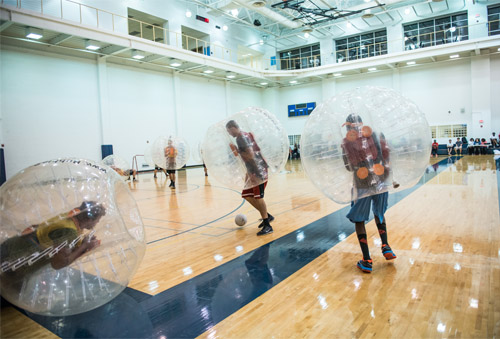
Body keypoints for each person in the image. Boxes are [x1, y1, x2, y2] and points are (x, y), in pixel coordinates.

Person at [341, 114, 397, 274]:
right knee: (379, 213)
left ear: (348, 127)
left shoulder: (346, 142)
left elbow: (348, 167)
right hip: (380, 180)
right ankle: (386, 246)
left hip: (361, 183)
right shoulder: (374, 134)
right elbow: (384, 154)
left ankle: (367, 260)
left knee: (359, 220)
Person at [0, 201, 105, 276]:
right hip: (16, 260)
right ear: (88, 219)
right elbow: (58, 264)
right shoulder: (69, 232)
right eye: (98, 220)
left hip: (11, 245)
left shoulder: (71, 216)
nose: (97, 223)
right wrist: (84, 246)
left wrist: (82, 243)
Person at [226, 120, 274, 236]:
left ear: (233, 128)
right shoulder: (244, 135)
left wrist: (237, 151)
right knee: (246, 195)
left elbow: (251, 155)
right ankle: (267, 215)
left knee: (258, 196)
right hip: (252, 169)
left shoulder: (241, 138)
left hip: (257, 170)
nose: (229, 134)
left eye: (229, 131)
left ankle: (267, 225)